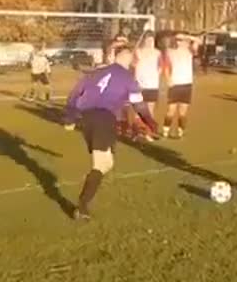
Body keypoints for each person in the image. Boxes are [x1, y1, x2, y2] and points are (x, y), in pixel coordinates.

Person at [63, 45, 158, 220]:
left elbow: (75, 93)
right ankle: (82, 207)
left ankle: (88, 189)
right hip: (104, 119)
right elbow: (138, 104)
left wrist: (70, 117)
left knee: (107, 162)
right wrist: (150, 122)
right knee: (101, 164)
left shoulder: (94, 72)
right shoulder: (129, 79)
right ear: (130, 59)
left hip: (86, 117)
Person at [162, 33, 199, 139]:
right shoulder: (170, 51)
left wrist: (187, 38)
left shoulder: (190, 51)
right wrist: (168, 79)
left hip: (187, 84)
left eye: (181, 40)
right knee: (171, 110)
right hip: (175, 84)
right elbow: (165, 67)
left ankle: (180, 132)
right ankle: (165, 131)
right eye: (177, 40)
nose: (179, 42)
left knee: (183, 112)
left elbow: (198, 41)